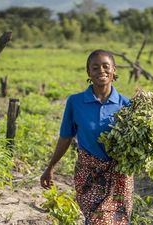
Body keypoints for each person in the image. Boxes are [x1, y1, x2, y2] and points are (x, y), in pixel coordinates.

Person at [40, 49, 134, 225]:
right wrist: (50, 166)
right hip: (89, 174)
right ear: (88, 72)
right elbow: (66, 137)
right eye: (95, 67)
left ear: (114, 70)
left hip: (119, 176)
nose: (101, 71)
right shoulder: (75, 102)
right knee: (95, 220)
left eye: (106, 66)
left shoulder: (127, 105)